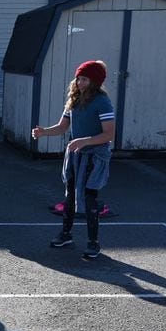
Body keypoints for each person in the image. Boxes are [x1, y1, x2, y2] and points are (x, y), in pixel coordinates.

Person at [32, 60, 115, 259]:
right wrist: (44, 132)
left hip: (95, 157)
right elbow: (62, 127)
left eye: (84, 79)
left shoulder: (102, 102)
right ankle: (66, 234)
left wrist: (85, 141)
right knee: (69, 195)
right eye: (78, 78)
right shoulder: (74, 99)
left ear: (94, 81)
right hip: (75, 154)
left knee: (89, 197)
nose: (79, 82)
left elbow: (109, 134)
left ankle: (93, 242)